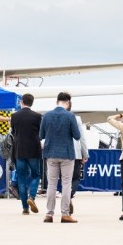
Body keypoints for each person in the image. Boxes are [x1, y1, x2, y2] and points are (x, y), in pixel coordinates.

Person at [39, 92, 81, 223]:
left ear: (57, 101)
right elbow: (77, 136)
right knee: (66, 184)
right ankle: (65, 214)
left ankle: (49, 214)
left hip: (50, 153)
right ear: (67, 103)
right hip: (67, 154)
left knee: (51, 184)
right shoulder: (70, 116)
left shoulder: (46, 115)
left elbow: (41, 135)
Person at [10, 93, 43, 215]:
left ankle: (25, 208)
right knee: (36, 175)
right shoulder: (37, 116)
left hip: (19, 149)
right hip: (33, 149)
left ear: (22, 102)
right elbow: (40, 132)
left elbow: (14, 132)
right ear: (32, 103)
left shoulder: (14, 116)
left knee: (21, 179)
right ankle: (32, 197)